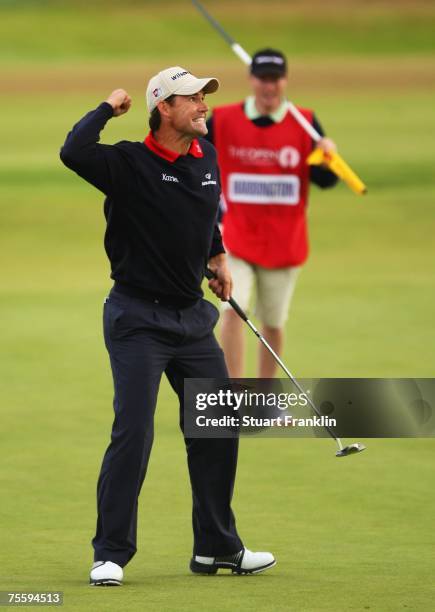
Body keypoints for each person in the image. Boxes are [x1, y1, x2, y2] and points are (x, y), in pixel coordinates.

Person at [60, 66, 276, 585]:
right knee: (133, 432)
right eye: (192, 98)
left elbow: (204, 216)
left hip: (192, 321)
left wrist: (218, 255)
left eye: (204, 96)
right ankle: (110, 552)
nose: (203, 105)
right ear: (163, 108)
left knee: (216, 429)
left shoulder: (208, 158)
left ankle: (216, 549)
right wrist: (107, 109)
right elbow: (73, 151)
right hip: (138, 319)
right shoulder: (127, 164)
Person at [205, 49, 338, 378]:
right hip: (235, 235)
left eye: (275, 79)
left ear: (285, 81)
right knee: (233, 310)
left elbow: (326, 180)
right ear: (251, 80)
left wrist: (327, 157)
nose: (269, 87)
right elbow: (196, 160)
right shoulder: (222, 120)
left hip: (284, 241)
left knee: (273, 324)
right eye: (262, 79)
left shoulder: (305, 122)